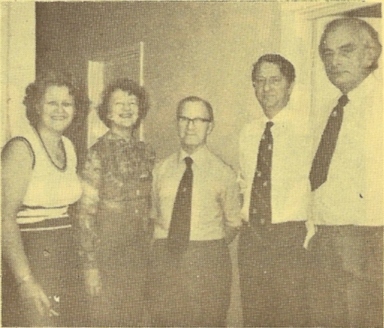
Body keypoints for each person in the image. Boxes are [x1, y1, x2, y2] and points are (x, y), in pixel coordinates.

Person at [307, 17, 383, 328]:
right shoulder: (330, 107)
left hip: (367, 239)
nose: (334, 61)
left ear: (370, 53)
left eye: (345, 50)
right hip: (324, 236)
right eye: (327, 53)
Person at [148, 96, 242, 327]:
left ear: (210, 126)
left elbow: (233, 223)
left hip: (207, 262)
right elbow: (154, 215)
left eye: (198, 120)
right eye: (184, 118)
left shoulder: (224, 173)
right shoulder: (159, 170)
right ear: (177, 123)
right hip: (165, 260)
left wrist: (202, 248)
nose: (190, 126)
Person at [1, 73, 83, 327]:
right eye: (51, 103)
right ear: (36, 106)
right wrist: (25, 280)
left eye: (67, 104)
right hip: (32, 255)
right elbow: (4, 218)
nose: (60, 110)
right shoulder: (20, 148)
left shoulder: (68, 146)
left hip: (64, 255)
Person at [238, 54, 313, 327]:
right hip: (253, 238)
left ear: (290, 85)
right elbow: (245, 182)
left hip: (289, 237)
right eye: (259, 81)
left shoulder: (309, 131)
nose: (266, 88)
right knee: (255, 316)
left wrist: (309, 235)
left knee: (291, 316)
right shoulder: (248, 132)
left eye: (274, 81)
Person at [77, 78, 155, 326]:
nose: (127, 108)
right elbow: (85, 214)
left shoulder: (147, 152)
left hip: (139, 253)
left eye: (132, 102)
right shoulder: (97, 153)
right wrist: (90, 266)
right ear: (107, 112)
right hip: (107, 252)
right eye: (119, 103)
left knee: (133, 319)